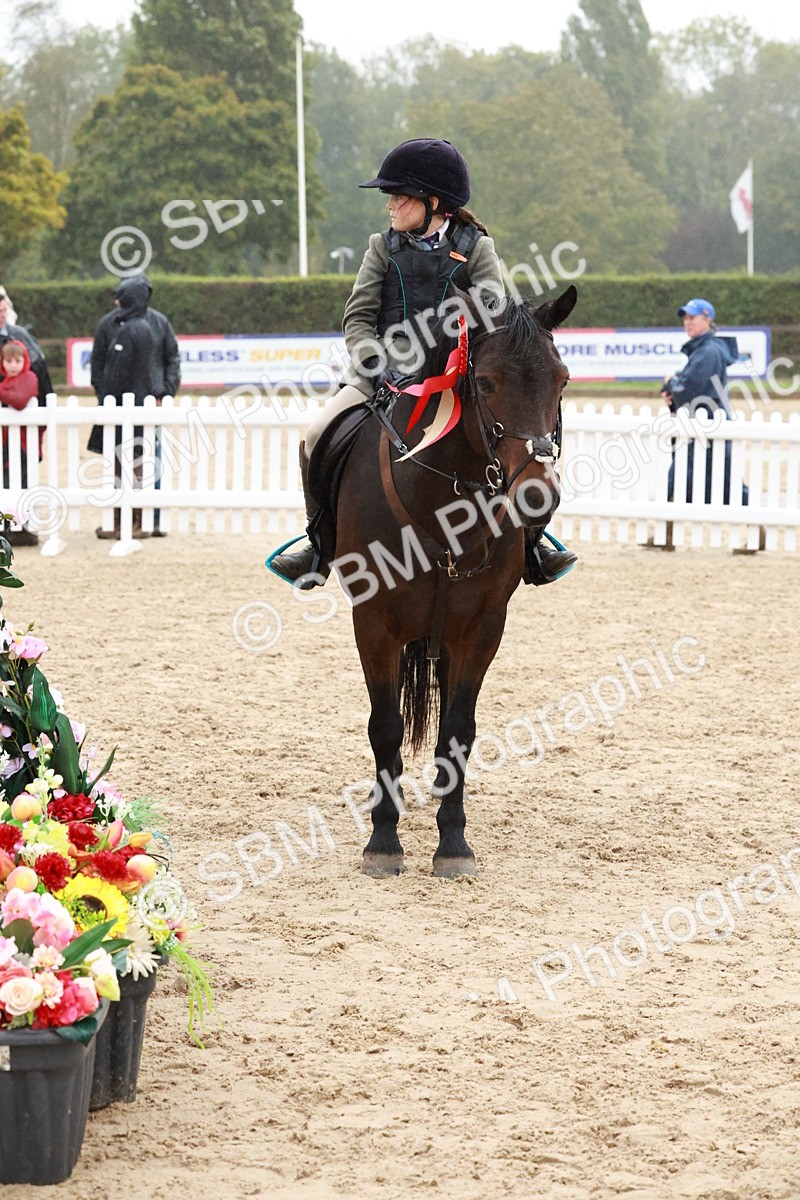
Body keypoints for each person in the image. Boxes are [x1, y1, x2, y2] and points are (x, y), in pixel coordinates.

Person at [272, 138, 576, 588]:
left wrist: (463, 356)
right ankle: (320, 545)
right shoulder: (382, 247)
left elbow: (492, 311)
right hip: (382, 373)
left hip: (455, 373)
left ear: (433, 202)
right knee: (316, 435)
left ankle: (532, 545)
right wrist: (371, 358)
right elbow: (358, 317)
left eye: (399, 196)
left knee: (514, 435)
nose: (390, 205)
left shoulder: (476, 248)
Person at [88, 273, 181, 539]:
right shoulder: (107, 324)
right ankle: (120, 519)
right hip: (117, 404)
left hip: (149, 402)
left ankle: (147, 519)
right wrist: (104, 396)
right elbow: (98, 363)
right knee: (117, 462)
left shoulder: (159, 322)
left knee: (146, 460)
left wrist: (165, 392)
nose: (116, 301)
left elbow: (172, 358)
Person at [661, 297, 750, 508]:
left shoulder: (708, 351)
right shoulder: (706, 350)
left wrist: (671, 383)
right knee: (708, 477)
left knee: (721, 480)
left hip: (706, 427)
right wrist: (672, 388)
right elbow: (690, 382)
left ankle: (753, 519)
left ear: (707, 319)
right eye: (685, 318)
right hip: (704, 425)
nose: (687, 322)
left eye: (692, 318)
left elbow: (690, 388)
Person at [0, 340, 45, 546]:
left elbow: (19, 401)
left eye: (17, 361)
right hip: (8, 442)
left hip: (24, 445)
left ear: (24, 361)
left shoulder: (29, 378)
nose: (13, 365)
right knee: (8, 485)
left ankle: (23, 529)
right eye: (8, 361)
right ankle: (10, 529)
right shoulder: (6, 382)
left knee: (21, 484)